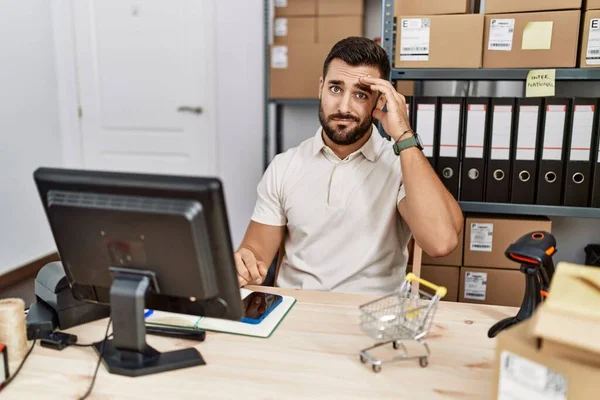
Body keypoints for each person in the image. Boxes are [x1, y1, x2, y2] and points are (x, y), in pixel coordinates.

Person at [235, 36, 463, 295]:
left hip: (370, 321)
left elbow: (440, 242)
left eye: (360, 94)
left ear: (380, 101)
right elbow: (256, 256)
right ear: (320, 87)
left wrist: (404, 135)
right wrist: (245, 263)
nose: (344, 107)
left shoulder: (400, 165)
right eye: (335, 88)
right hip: (296, 315)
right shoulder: (285, 166)